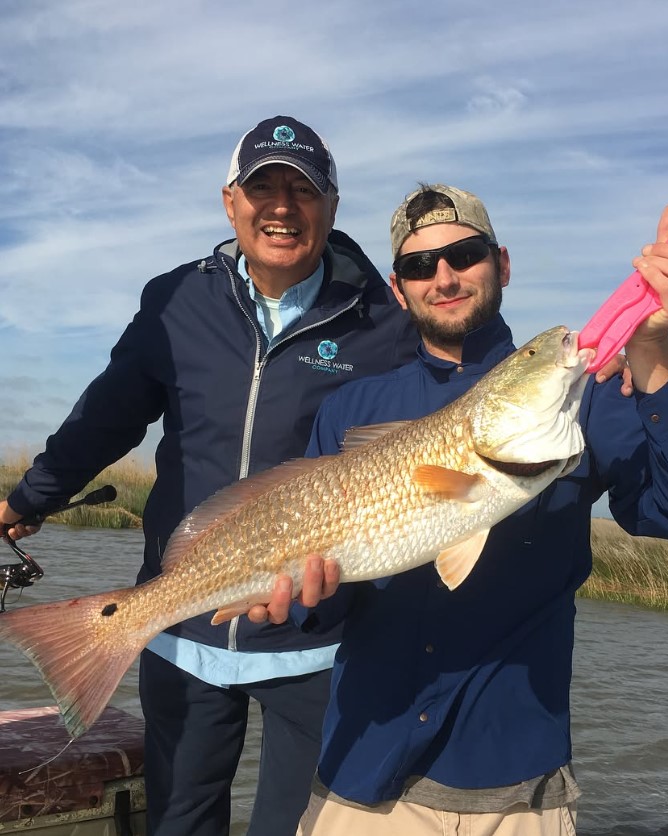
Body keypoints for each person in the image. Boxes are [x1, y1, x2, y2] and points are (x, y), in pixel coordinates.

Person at [262, 183, 668, 835]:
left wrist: (653, 349)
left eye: (464, 253)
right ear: (398, 289)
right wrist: (302, 597)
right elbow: (320, 612)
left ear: (502, 264)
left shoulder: (585, 400)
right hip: (362, 782)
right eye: (417, 264)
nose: (443, 275)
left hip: (518, 795)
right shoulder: (351, 412)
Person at [0, 116, 420, 836]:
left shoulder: (385, 320)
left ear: (332, 206)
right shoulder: (176, 300)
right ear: (230, 202)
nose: (282, 206)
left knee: (300, 827)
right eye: (263, 188)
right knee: (180, 822)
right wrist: (24, 500)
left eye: (303, 189)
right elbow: (106, 419)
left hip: (315, 638)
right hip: (179, 628)